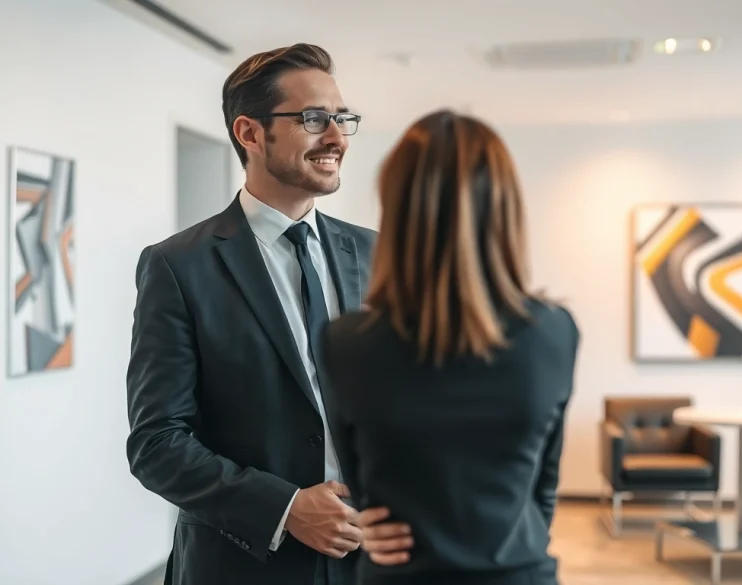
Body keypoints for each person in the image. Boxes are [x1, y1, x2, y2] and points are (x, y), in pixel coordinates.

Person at [126, 43, 390, 585]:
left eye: (342, 119)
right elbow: (157, 442)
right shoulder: (178, 266)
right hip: (242, 565)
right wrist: (286, 508)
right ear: (250, 133)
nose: (337, 138)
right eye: (315, 119)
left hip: (372, 563)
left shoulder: (376, 254)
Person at [318, 110, 581, 585]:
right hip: (519, 573)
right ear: (505, 208)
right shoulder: (555, 332)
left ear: (396, 210)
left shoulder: (346, 343)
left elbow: (367, 490)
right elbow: (543, 487)